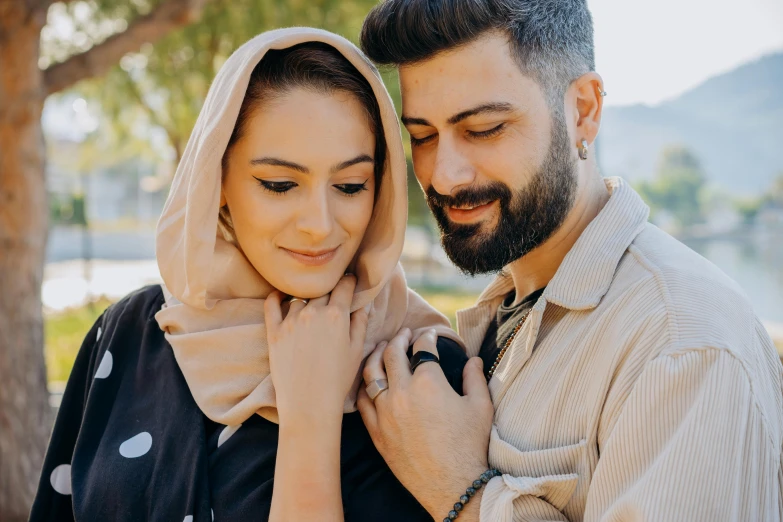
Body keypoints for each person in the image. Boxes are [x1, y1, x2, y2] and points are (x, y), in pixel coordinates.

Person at [356, 1, 783, 521]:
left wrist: (458, 488)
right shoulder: (511, 299)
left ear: (584, 110)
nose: (444, 176)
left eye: (485, 128)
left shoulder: (683, 342)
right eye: (422, 136)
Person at [29, 28, 468, 522]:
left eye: (350, 185)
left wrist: (309, 420)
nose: (320, 224)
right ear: (217, 181)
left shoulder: (421, 373)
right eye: (280, 185)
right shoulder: (129, 332)